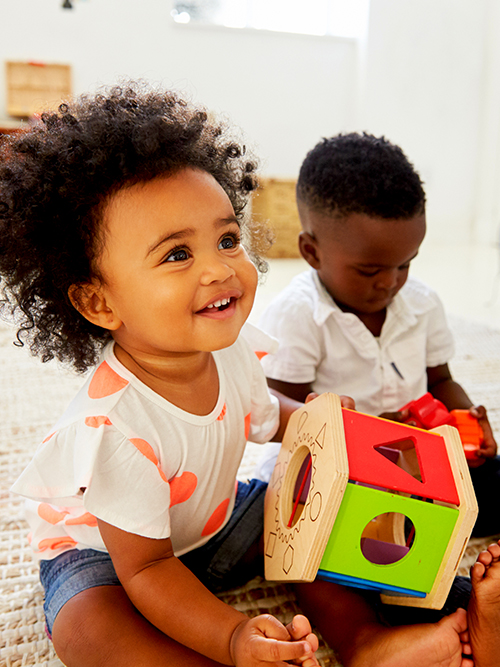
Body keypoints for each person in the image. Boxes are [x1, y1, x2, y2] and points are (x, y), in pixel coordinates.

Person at [0, 86, 498, 667]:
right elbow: (150, 569)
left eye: (227, 239)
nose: (219, 267)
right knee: (90, 631)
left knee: (326, 516)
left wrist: (330, 427)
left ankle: (390, 635)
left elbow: (268, 415)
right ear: (98, 302)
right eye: (177, 255)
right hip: (112, 557)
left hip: (217, 520)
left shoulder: (230, 351)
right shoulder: (113, 430)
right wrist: (233, 637)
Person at [257, 132, 500, 538]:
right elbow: (284, 416)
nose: (390, 283)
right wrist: (374, 436)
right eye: (370, 271)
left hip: (417, 462)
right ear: (312, 251)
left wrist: (468, 421)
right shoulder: (298, 315)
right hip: (333, 471)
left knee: (492, 483)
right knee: (344, 534)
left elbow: (440, 379)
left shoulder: (422, 304)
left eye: (405, 265)